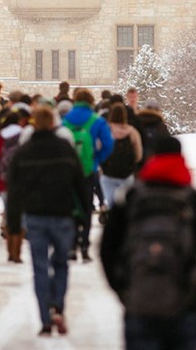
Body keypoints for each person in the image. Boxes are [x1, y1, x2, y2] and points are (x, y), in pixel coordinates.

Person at [100, 137, 196, 350]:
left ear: (151, 159)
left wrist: (124, 289)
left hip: (139, 302)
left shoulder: (129, 199)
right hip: (184, 305)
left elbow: (107, 250)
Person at [7, 107, 88, 336]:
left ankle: (44, 319)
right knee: (61, 264)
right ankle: (58, 306)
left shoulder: (23, 152)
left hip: (35, 217)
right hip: (62, 215)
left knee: (40, 268)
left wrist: (13, 223)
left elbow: (14, 190)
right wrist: (83, 216)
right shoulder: (65, 148)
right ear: (53, 124)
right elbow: (80, 183)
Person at [63, 88, 114, 262]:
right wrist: (96, 159)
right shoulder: (96, 120)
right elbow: (108, 144)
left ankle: (71, 245)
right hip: (88, 169)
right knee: (86, 206)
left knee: (70, 205)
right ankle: (84, 244)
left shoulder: (65, 120)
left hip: (69, 170)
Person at [0, 111, 26, 260]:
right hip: (22, 181)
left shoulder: (0, 137)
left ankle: (10, 247)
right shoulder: (24, 135)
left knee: (9, 211)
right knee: (21, 215)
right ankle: (17, 250)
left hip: (5, 181)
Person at [101, 103, 144, 208]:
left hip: (108, 173)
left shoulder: (105, 130)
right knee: (125, 205)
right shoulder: (132, 132)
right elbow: (139, 155)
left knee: (112, 204)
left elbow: (98, 150)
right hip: (126, 173)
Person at [136, 99, 171, 166]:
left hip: (140, 164)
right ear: (158, 111)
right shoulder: (161, 126)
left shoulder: (137, 123)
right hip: (157, 165)